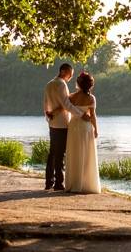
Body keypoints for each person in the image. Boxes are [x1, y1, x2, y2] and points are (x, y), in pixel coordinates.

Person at [49, 70, 101, 194]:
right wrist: (96, 130)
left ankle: (74, 183)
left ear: (79, 84)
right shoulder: (91, 98)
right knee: (87, 154)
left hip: (73, 127)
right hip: (86, 127)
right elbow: (93, 116)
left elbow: (63, 107)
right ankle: (85, 184)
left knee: (74, 153)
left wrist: (52, 113)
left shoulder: (72, 96)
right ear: (90, 85)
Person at [43, 62, 89, 190]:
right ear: (63, 71)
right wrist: (81, 114)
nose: (71, 77)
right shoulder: (61, 84)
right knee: (60, 154)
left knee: (52, 153)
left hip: (52, 122)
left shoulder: (49, 84)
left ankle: (49, 181)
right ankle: (59, 183)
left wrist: (48, 117)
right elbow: (67, 105)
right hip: (62, 123)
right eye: (70, 74)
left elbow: (46, 104)